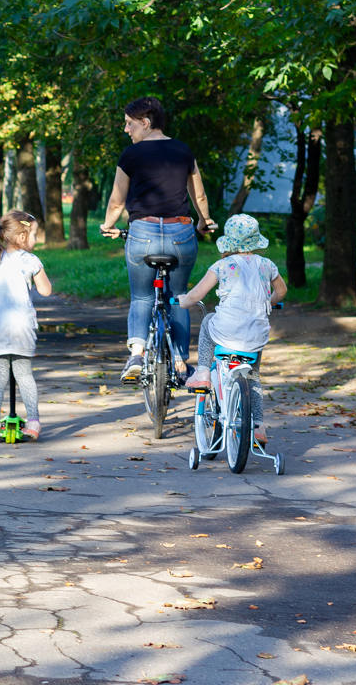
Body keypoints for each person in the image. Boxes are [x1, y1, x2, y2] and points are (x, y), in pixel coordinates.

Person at [99, 96, 217, 384]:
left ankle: (137, 354)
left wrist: (108, 225)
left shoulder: (131, 155)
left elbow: (117, 202)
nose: (126, 130)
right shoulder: (184, 152)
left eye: (129, 124)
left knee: (141, 296)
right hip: (180, 234)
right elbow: (198, 195)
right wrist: (203, 222)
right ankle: (179, 362)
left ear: (145, 123)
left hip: (143, 234)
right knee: (178, 298)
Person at [176, 213, 288, 445]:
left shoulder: (222, 265)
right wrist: (270, 301)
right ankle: (258, 426)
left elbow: (198, 294)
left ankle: (204, 372)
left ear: (228, 242)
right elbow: (282, 291)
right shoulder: (267, 265)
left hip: (226, 331)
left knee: (208, 322)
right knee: (253, 377)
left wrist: (185, 301)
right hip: (256, 335)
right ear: (256, 241)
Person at [0, 210, 53, 442]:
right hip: (21, 327)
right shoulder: (31, 261)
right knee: (24, 375)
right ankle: (34, 421)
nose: (36, 240)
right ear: (21, 237)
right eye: (34, 235)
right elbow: (46, 291)